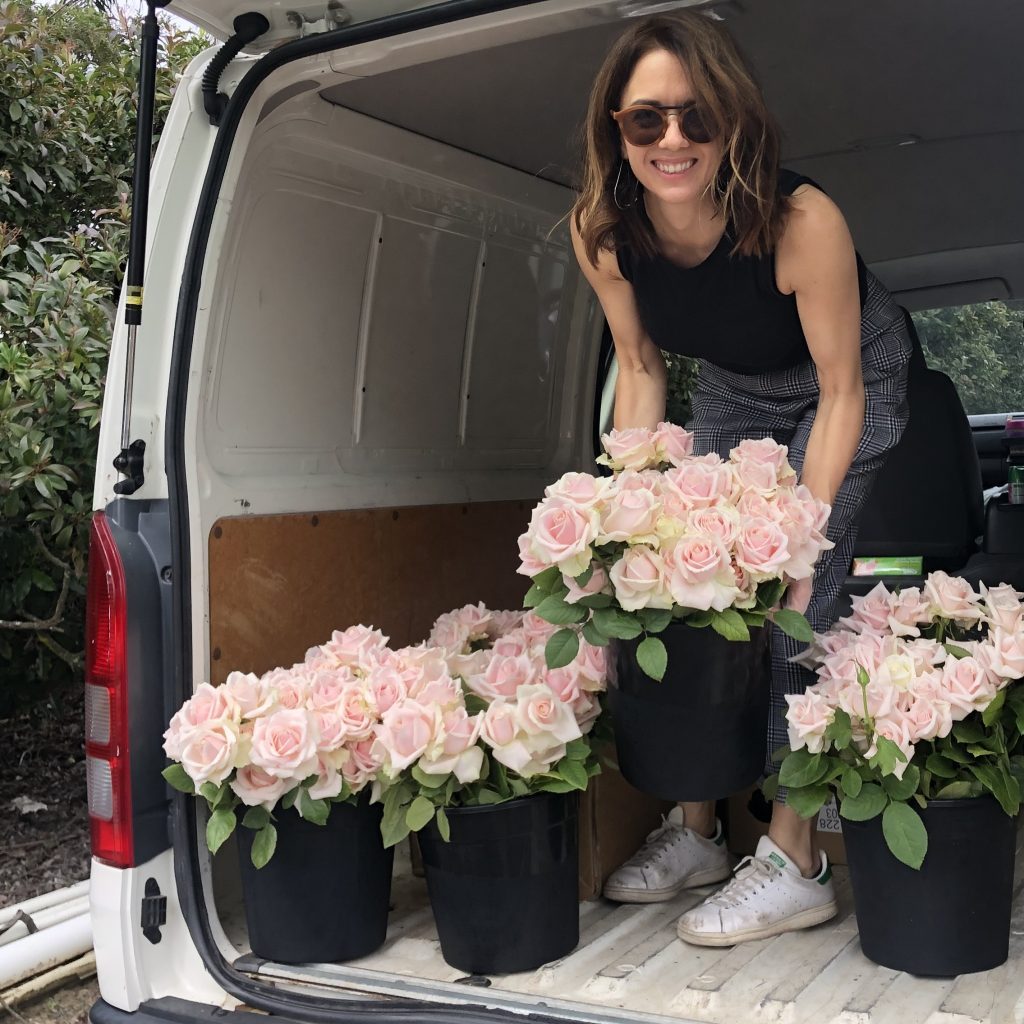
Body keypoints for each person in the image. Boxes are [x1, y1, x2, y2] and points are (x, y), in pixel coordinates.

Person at [570, 13, 911, 946]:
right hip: (732, 380)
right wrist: (629, 518)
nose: (673, 141)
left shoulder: (803, 221)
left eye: (697, 117)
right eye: (647, 122)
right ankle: (699, 832)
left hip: (849, 378)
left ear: (733, 122)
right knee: (687, 582)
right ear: (615, 128)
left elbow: (839, 392)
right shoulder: (602, 232)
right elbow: (640, 372)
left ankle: (796, 858)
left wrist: (802, 533)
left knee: (801, 591)